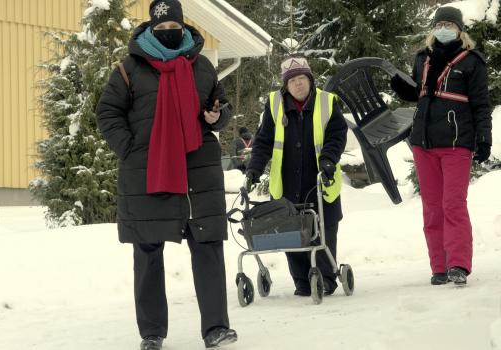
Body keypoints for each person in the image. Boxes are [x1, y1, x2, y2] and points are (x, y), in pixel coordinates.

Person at [95, 1, 237, 349]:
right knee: (147, 251)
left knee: (207, 246)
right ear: (150, 29)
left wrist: (216, 118)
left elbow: (221, 108)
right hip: (149, 172)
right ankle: (152, 333)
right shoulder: (130, 68)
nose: (167, 33)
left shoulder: (202, 66)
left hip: (197, 173)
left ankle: (216, 328)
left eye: (172, 28)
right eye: (160, 30)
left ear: (182, 26)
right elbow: (107, 112)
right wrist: (131, 150)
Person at [390, 6, 492, 286]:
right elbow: (420, 93)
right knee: (432, 208)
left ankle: (458, 264)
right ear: (433, 28)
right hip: (424, 143)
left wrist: (484, 137)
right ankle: (439, 266)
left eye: (449, 24)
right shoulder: (423, 58)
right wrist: (402, 87)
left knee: (453, 205)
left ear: (460, 29)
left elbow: (482, 106)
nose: (444, 28)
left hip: (457, 143)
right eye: (439, 24)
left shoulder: (473, 62)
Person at [246, 56, 348, 296]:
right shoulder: (274, 105)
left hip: (321, 180)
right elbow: (263, 142)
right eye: (292, 80)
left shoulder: (328, 102)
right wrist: (254, 169)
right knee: (291, 232)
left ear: (310, 80)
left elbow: (337, 135)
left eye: (302, 78)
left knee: (323, 229)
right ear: (286, 85)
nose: (298, 84)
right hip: (287, 183)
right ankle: (302, 282)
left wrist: (328, 159)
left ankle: (326, 279)